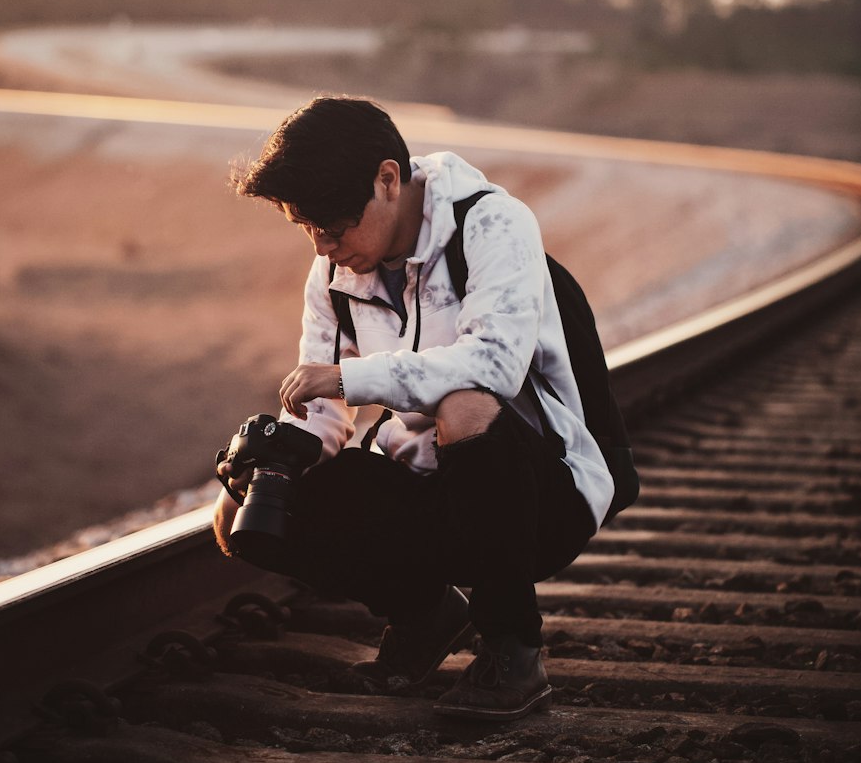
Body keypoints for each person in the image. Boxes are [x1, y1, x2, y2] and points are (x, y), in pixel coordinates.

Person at [213, 96, 614, 720]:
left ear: (388, 179)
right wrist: (284, 453)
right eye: (307, 229)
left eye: (334, 226)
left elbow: (494, 367)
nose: (322, 247)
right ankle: (427, 615)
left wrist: (351, 379)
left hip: (534, 493)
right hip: (425, 488)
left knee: (466, 405)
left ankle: (513, 649)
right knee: (240, 512)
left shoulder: (494, 224)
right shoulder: (333, 275)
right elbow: (325, 413)